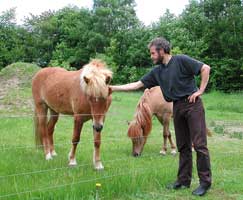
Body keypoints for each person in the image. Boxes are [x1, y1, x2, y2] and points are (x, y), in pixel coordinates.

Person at [110, 37, 212, 196]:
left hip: (192, 105)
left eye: (152, 53)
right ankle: (183, 181)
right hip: (177, 106)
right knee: (183, 146)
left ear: (162, 50)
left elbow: (205, 68)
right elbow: (137, 85)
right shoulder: (157, 71)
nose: (151, 56)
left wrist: (200, 90)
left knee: (199, 145)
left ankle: (205, 183)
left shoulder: (181, 60)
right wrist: (112, 88)